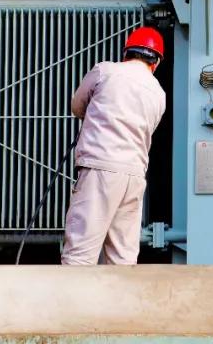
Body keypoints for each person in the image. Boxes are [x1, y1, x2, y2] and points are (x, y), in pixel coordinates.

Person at [60, 26, 166, 265]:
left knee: (80, 255)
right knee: (123, 258)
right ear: (155, 62)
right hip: (134, 176)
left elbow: (77, 106)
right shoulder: (159, 93)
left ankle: (71, 303)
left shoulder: (105, 70)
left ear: (126, 52)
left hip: (100, 168)